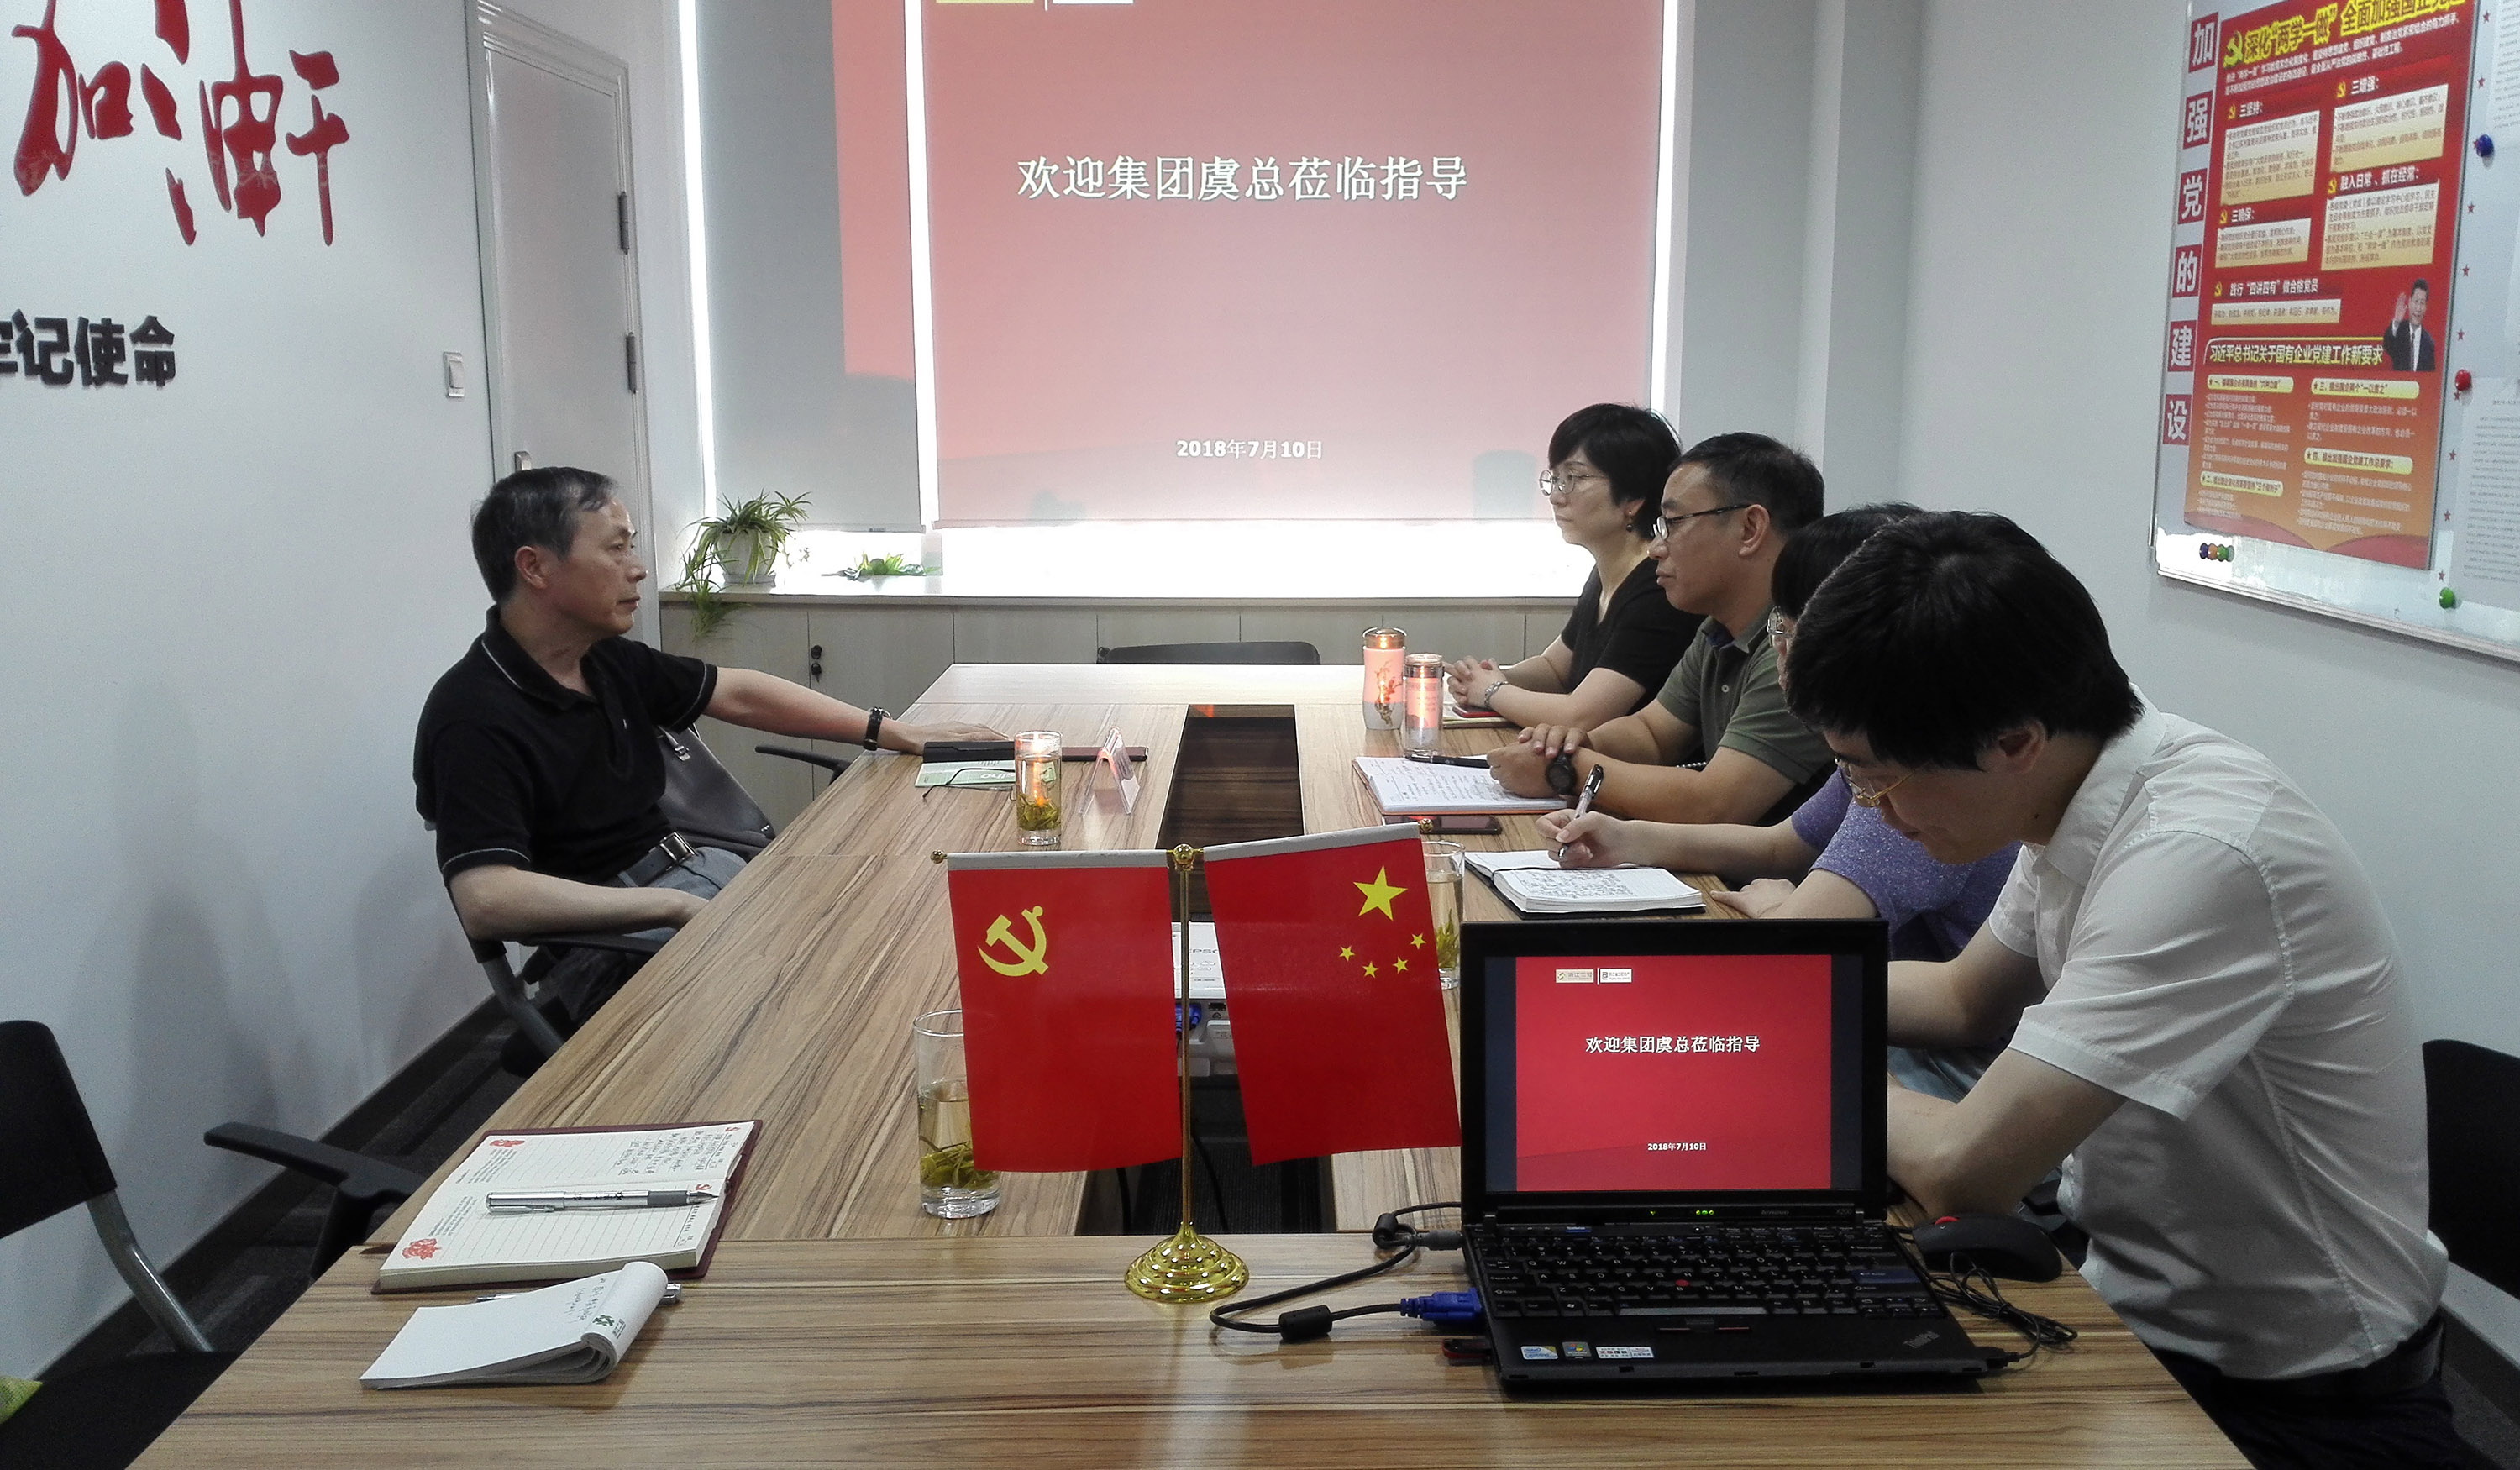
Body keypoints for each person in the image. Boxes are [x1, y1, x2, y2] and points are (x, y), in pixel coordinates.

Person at [1783, 510, 2458, 1469]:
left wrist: (1784, 1065)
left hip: (2295, 1407)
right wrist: (1750, 996)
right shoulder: (2073, 785)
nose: (1876, 813)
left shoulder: (2201, 855)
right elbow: (1967, 998)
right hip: (2134, 1314)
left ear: (2013, 740)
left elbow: (1968, 1170)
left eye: (1880, 779)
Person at [416, 468, 996, 1016]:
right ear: (535, 567)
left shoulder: (603, 660)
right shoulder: (474, 714)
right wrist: (670, 906)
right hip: (615, 942)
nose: (638, 569)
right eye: (616, 549)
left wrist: (894, 731)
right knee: (852, 991)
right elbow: (486, 897)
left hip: (701, 873)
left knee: (898, 925)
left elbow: (738, 694)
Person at [1539, 502, 2016, 1101]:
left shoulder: (1918, 777)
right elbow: (1780, 844)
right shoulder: (1878, 750)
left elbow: (1790, 951)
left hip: (1958, 1067)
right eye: (1778, 628)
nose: (1783, 653)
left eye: (1790, 631)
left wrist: (1776, 913)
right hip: (1916, 1027)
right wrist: (1630, 838)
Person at [1489, 432, 1830, 826]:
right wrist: (1570, 745)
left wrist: (1566, 770)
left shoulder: (1796, 644)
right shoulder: (1719, 628)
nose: (1655, 548)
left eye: (1673, 523)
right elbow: (1651, 733)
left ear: (1750, 528)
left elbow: (1715, 804)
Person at [1444, 405, 1699, 727]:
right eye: (1555, 479)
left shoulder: (1658, 587)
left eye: (1573, 478)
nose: (1556, 496)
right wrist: (1490, 678)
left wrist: (1492, 691)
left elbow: (1582, 715)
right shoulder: (1607, 571)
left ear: (1633, 498)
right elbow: (1555, 669)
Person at [2383, 279, 2438, 373]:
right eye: (2416, 302)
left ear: (2426, 307)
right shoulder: (2399, 330)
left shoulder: (2429, 343)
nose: (2418, 309)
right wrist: (2396, 321)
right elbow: (2387, 345)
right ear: (2409, 302)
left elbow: (2430, 375)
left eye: (2422, 303)